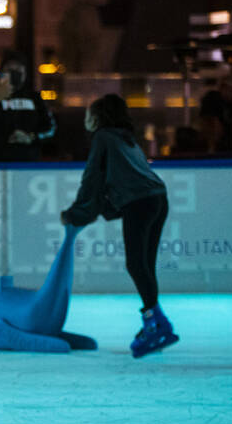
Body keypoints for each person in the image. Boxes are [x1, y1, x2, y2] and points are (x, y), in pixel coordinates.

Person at [61, 94, 178, 357]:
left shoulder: (103, 138)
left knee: (136, 264)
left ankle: (156, 324)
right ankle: (154, 321)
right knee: (144, 265)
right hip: (158, 198)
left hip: (141, 202)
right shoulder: (125, 138)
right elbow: (113, 185)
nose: (86, 119)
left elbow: (92, 180)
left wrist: (75, 213)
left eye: (89, 114)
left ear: (99, 117)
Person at [0, 52, 56, 161]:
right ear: (2, 73)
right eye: (9, 69)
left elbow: (50, 128)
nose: (14, 73)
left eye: (18, 69)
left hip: (28, 162)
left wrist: (30, 137)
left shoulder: (35, 98)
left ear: (25, 73)